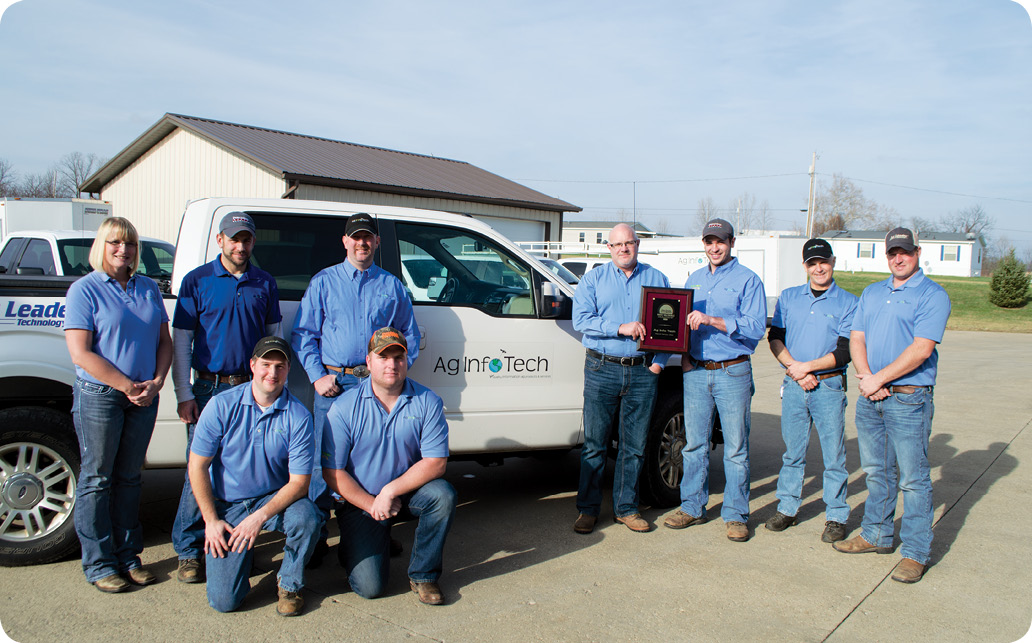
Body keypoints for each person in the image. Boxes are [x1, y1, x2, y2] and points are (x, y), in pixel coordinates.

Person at [291, 212, 420, 562]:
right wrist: (317, 376)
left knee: (376, 460)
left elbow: (410, 335)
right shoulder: (324, 282)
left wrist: (394, 374)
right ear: (345, 241)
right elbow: (304, 334)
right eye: (356, 236)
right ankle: (316, 539)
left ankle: (374, 532)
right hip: (336, 384)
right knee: (324, 464)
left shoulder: (392, 285)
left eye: (368, 237)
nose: (362, 242)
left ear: (377, 242)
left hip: (377, 387)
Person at [170, 211, 282, 584]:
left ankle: (236, 541)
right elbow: (182, 341)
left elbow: (274, 338)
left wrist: (271, 387)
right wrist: (184, 392)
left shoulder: (264, 282)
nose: (240, 246)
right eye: (234, 239)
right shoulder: (197, 280)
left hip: (250, 389)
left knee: (243, 467)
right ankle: (189, 550)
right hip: (207, 388)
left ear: (253, 242)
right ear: (220, 240)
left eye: (246, 239)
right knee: (199, 468)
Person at [834, 227, 950, 584]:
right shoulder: (872, 292)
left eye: (905, 252)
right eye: (892, 253)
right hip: (872, 396)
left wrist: (879, 379)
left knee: (913, 480)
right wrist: (868, 377)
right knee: (876, 472)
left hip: (909, 399)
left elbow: (922, 349)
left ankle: (915, 553)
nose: (899, 258)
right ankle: (877, 534)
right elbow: (857, 338)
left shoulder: (932, 294)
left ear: (918, 253)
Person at [64, 217, 172, 593]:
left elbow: (164, 341)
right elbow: (80, 353)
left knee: (129, 478)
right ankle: (99, 563)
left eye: (129, 244)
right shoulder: (85, 290)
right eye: (115, 242)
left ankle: (128, 556)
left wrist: (157, 382)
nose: (123, 250)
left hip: (144, 396)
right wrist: (126, 386)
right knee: (97, 479)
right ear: (102, 246)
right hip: (102, 396)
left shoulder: (148, 288)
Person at [187, 336, 320, 615]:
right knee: (224, 602)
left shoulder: (298, 416)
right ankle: (240, 557)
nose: (272, 373)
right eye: (266, 364)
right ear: (252, 365)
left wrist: (258, 518)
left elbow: (299, 483)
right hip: (228, 506)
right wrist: (211, 521)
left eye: (280, 366)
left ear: (288, 369)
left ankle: (289, 583)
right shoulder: (221, 405)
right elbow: (197, 466)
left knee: (307, 517)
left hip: (271, 501)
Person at [322, 327, 455, 606]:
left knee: (442, 495)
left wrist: (390, 491)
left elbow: (436, 462)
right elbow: (333, 472)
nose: (392, 364)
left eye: (398, 357)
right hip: (360, 501)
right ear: (369, 362)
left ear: (406, 361)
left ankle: (424, 574)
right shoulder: (344, 407)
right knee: (370, 587)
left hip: (404, 494)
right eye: (383, 357)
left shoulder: (427, 401)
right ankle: (355, 544)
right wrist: (372, 504)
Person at [664, 218, 766, 542]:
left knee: (735, 448)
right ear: (704, 244)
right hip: (696, 371)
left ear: (732, 242)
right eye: (709, 241)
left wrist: (712, 320)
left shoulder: (748, 280)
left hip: (732, 371)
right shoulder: (694, 279)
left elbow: (755, 328)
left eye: (720, 241)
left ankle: (735, 515)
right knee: (694, 445)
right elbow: (681, 323)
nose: (715, 247)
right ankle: (692, 507)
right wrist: (684, 358)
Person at [570, 223, 670, 534]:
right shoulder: (593, 279)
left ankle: (626, 509)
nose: (624, 249)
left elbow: (671, 325)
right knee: (595, 445)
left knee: (634, 446)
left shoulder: (657, 279)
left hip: (643, 370)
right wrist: (619, 327)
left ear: (638, 244)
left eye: (629, 243)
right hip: (602, 368)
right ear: (609, 248)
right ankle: (588, 510)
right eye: (617, 244)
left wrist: (659, 364)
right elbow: (581, 320)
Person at [765, 238, 858, 543]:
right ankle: (787, 508)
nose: (819, 268)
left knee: (834, 456)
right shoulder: (790, 297)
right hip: (794, 384)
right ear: (805, 266)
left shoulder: (849, 302)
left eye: (824, 262)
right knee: (793, 453)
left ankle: (836, 515)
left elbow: (845, 351)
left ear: (833, 262)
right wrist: (796, 369)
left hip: (828, 386)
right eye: (812, 263)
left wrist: (808, 368)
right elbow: (775, 337)